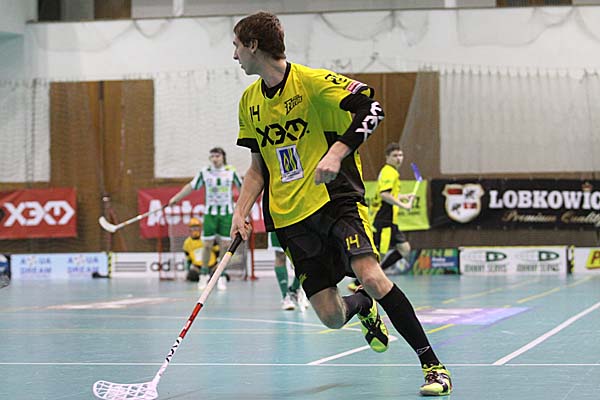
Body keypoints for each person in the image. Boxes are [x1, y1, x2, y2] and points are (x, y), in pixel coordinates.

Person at [229, 11, 452, 396]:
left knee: (372, 275)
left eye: (236, 46)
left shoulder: (312, 83)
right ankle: (363, 306)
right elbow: (257, 169)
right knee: (331, 316)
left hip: (335, 200)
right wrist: (240, 210)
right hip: (290, 218)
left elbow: (372, 108)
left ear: (253, 45)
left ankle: (433, 367)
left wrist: (336, 153)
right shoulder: (249, 102)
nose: (234, 55)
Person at [169, 147, 242, 291]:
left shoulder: (231, 171)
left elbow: (243, 188)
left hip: (226, 214)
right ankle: (203, 275)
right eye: (212, 156)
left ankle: (221, 276)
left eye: (217, 156)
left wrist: (244, 208)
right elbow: (191, 186)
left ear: (223, 157)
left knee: (225, 246)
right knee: (207, 245)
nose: (215, 159)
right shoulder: (205, 172)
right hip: (210, 214)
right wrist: (176, 198)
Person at [348, 143, 414, 291]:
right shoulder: (389, 172)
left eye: (400, 155)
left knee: (404, 249)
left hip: (391, 221)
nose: (399, 158)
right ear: (387, 157)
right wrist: (404, 206)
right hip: (384, 220)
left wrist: (404, 197)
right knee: (379, 255)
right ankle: (357, 282)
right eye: (395, 155)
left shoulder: (392, 172)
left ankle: (374, 276)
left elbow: (390, 194)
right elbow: (384, 195)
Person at [270, 232, 309, 311]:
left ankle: (295, 288)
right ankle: (285, 296)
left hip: (299, 227)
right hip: (278, 227)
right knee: (280, 255)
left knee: (303, 256)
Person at [182, 217, 223, 289]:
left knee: (218, 275)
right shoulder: (187, 243)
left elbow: (217, 251)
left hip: (212, 265)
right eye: (193, 228)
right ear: (189, 229)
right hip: (198, 268)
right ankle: (203, 277)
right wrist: (187, 270)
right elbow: (188, 258)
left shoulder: (207, 238)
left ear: (200, 228)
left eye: (197, 228)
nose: (195, 230)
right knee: (192, 275)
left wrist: (217, 263)